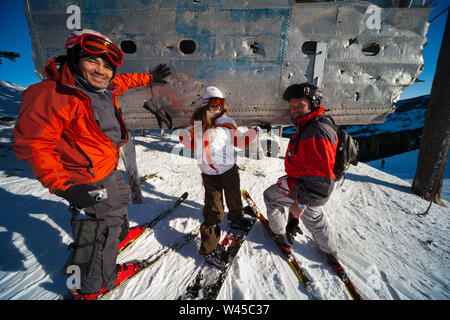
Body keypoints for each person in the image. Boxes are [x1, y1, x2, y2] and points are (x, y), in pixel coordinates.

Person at [13, 29, 171, 299]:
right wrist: (63, 186)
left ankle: (118, 234)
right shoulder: (53, 94)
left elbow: (124, 80)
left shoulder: (103, 87)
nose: (102, 70)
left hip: (106, 167)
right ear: (74, 59)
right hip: (85, 178)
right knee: (99, 229)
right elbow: (34, 143)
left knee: (120, 199)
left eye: (107, 65)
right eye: (92, 61)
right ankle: (93, 284)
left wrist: (149, 78)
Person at [179, 86, 258, 267]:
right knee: (213, 209)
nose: (217, 107)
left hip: (228, 169)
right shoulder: (198, 124)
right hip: (209, 174)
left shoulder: (227, 122)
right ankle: (209, 248)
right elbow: (192, 145)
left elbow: (240, 141)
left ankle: (236, 217)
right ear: (206, 104)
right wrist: (183, 135)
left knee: (233, 196)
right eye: (213, 103)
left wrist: (256, 131)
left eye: (220, 103)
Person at [263, 83, 340, 265]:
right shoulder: (312, 124)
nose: (294, 110)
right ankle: (329, 250)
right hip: (300, 183)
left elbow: (321, 180)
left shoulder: (316, 132)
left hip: (306, 190)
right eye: (292, 106)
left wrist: (301, 203)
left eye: (300, 106)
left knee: (271, 197)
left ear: (312, 104)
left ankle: (278, 234)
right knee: (315, 217)